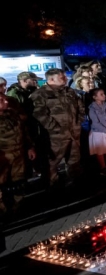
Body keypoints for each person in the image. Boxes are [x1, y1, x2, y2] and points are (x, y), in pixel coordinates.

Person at [30, 68, 84, 187]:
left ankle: (76, 184)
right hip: (55, 137)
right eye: (62, 77)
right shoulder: (40, 94)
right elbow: (39, 114)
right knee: (52, 163)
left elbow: (81, 107)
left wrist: (78, 122)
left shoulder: (69, 91)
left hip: (73, 133)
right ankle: (52, 186)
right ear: (51, 79)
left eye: (64, 76)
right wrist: (55, 128)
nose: (66, 79)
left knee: (74, 160)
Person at [0, 94, 34, 225]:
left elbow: (23, 131)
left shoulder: (11, 113)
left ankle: (17, 207)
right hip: (3, 157)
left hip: (18, 154)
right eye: (1, 100)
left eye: (4, 98)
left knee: (19, 181)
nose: (6, 101)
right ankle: (2, 212)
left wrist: (30, 147)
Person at [87, 88, 106, 175]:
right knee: (100, 151)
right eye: (101, 94)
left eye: (104, 93)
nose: (104, 95)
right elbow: (95, 122)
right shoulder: (92, 108)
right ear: (95, 97)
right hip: (99, 132)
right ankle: (103, 168)